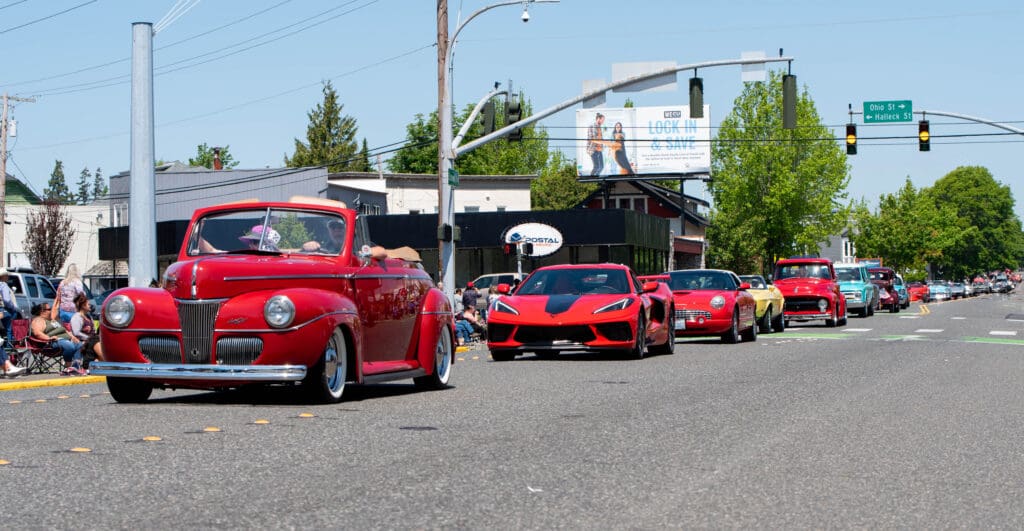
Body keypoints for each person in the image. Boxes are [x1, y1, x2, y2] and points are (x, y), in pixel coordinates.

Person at [29, 302, 85, 376]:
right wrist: (49, 338)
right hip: (51, 343)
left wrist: (72, 337)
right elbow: (37, 333)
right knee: (69, 346)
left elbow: (65, 330)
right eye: (49, 309)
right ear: (42, 311)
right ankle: (68, 367)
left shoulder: (51, 320)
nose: (51, 310)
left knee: (80, 345)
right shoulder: (39, 320)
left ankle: (75, 367)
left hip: (64, 340)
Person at [70, 292, 102, 370]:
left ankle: (99, 362)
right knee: (95, 343)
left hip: (92, 339)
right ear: (83, 306)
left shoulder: (88, 316)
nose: (90, 306)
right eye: (88, 304)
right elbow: (76, 332)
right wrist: (89, 338)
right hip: (83, 340)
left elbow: (93, 329)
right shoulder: (77, 317)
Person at [0, 267, 20, 346]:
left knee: (2, 330)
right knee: (9, 329)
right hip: (5, 309)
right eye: (6, 275)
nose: (8, 277)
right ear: (3, 276)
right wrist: (13, 307)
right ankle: (9, 347)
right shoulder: (3, 285)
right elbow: (7, 300)